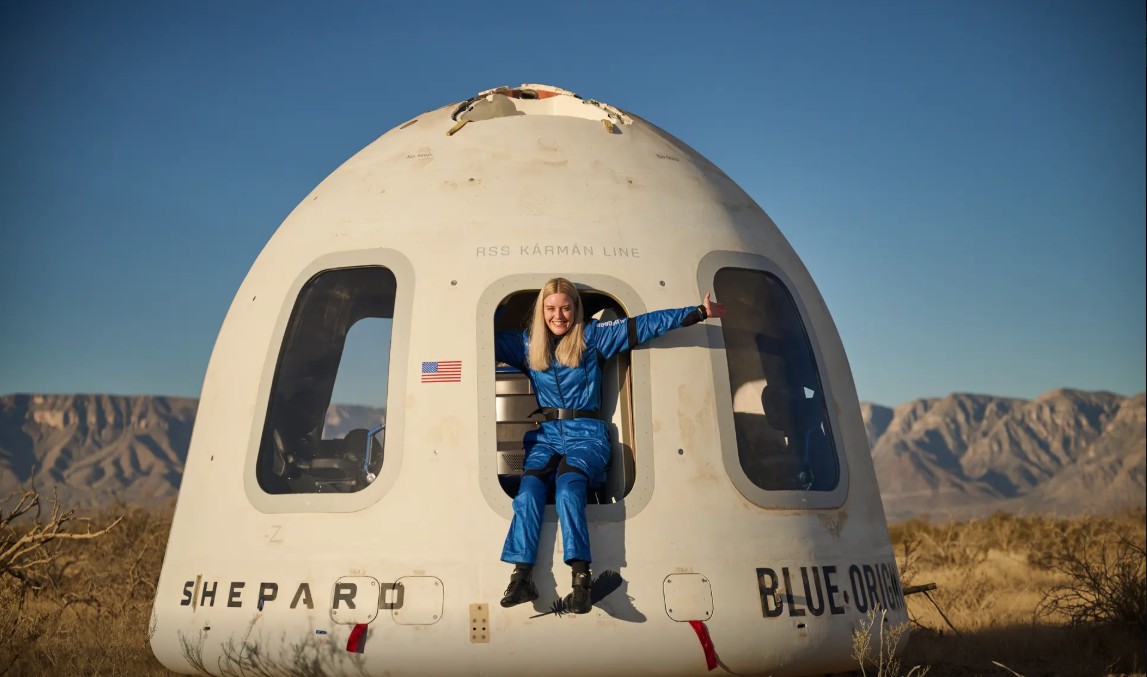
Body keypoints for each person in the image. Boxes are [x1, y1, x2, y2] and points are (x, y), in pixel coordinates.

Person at [495, 278, 726, 613]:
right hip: (546, 436)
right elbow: (476, 338)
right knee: (528, 492)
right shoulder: (527, 344)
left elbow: (644, 325)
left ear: (576, 309)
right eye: (551, 309)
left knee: (568, 488)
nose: (558, 316)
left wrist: (697, 313)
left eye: (565, 308)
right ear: (541, 312)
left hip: (587, 433)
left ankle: (580, 578)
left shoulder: (592, 336)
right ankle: (522, 576)